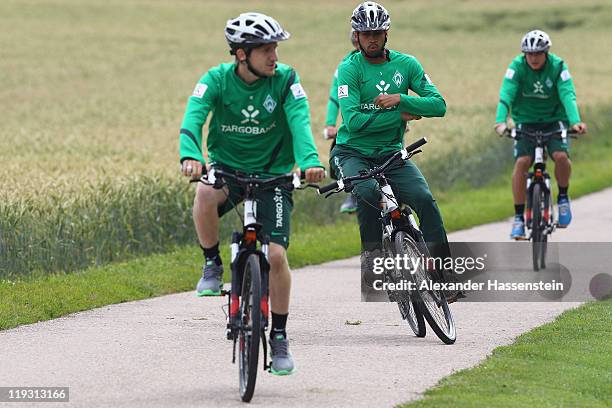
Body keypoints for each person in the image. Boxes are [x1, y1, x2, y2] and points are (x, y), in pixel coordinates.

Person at [179, 12, 325, 375]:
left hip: (274, 176)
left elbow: (300, 121)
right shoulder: (216, 79)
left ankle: (279, 338)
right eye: (266, 50)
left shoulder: (286, 80)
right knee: (204, 194)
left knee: (275, 256)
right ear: (242, 54)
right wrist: (191, 156)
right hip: (228, 170)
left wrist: (309, 160)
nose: (274, 56)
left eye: (275, 47)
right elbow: (193, 119)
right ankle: (212, 263)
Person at [331, 2, 458, 301]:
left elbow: (438, 105)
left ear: (386, 33)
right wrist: (399, 116)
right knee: (366, 193)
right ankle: (374, 261)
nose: (371, 39)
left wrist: (401, 99)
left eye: (376, 32)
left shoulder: (407, 64)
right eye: (365, 34)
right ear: (357, 36)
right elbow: (354, 122)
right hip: (351, 153)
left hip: (391, 152)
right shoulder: (348, 70)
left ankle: (444, 273)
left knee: (424, 200)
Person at [494, 30, 588, 239]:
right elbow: (506, 93)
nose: (534, 58)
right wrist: (500, 120)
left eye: (538, 54)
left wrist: (575, 122)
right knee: (522, 163)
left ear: (546, 53)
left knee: (561, 157)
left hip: (555, 120)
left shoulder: (558, 67)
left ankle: (563, 197)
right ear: (524, 54)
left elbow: (567, 94)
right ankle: (519, 218)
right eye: (529, 54)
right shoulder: (516, 67)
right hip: (525, 121)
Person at [324, 30, 360, 214]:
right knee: (338, 149)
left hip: (383, 123)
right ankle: (353, 191)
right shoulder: (344, 67)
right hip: (356, 124)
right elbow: (334, 97)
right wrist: (330, 124)